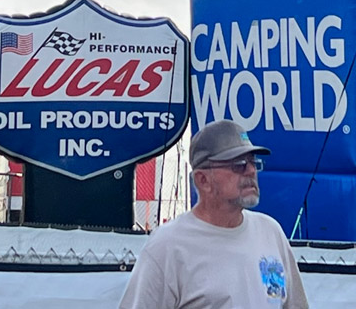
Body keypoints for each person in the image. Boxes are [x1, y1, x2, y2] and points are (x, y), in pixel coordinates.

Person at [118, 120, 309, 309]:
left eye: (253, 163)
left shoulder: (270, 232)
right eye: (239, 164)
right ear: (203, 180)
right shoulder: (167, 246)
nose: (251, 171)